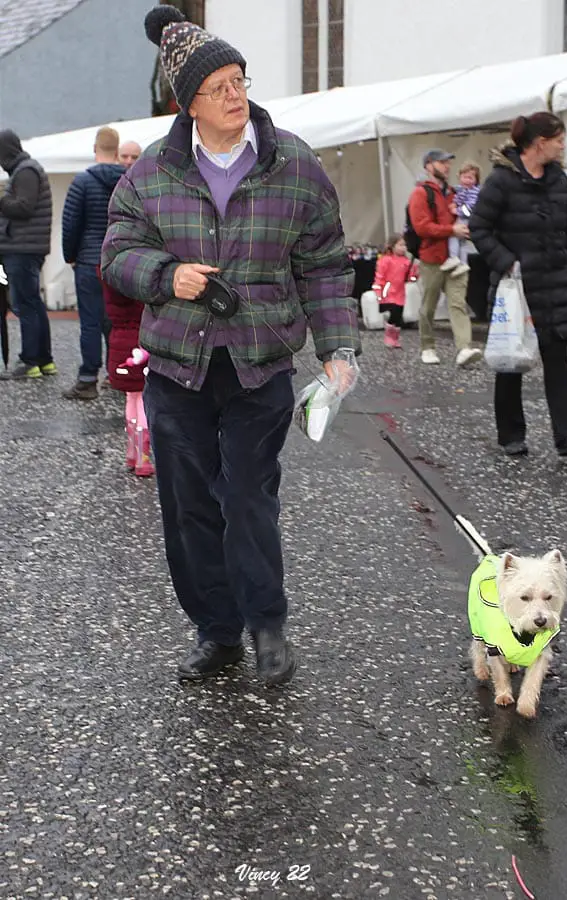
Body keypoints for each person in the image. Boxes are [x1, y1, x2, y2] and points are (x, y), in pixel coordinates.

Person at [101, 5, 361, 686]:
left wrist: (340, 350)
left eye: (240, 80)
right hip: (177, 371)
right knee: (187, 506)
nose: (236, 94)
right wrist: (168, 275)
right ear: (187, 102)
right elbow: (117, 254)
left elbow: (326, 263)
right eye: (218, 86)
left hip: (259, 367)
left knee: (248, 495)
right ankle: (216, 633)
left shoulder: (293, 164)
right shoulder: (150, 172)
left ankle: (267, 624)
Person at [470, 112, 567, 458]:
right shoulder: (501, 181)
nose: (562, 145)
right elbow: (479, 228)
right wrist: (507, 261)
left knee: (558, 356)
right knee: (512, 360)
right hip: (515, 287)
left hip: (555, 282)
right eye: (558, 139)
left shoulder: (558, 180)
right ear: (540, 142)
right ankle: (511, 434)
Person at [62, 126, 125, 400]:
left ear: (94, 149)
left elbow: (70, 223)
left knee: (90, 321)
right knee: (119, 321)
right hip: (120, 261)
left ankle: (88, 379)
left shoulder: (82, 182)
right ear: (118, 149)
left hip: (89, 260)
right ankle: (117, 374)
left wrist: (70, 256)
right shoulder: (130, 180)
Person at [408, 148, 482, 367]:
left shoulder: (454, 193)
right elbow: (422, 227)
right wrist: (452, 230)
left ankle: (464, 348)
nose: (447, 167)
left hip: (456, 258)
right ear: (428, 166)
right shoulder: (421, 194)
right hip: (432, 258)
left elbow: (463, 215)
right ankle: (427, 346)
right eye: (442, 163)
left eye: (448, 163)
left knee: (458, 303)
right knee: (428, 306)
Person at [0, 129, 56, 379]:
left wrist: (1, 197)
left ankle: (30, 361)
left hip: (22, 249)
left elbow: (23, 208)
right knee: (33, 303)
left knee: (25, 304)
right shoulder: (27, 169)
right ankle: (44, 361)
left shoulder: (26, 172)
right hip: (26, 247)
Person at [102, 280, 154, 477]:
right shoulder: (136, 281)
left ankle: (132, 452)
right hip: (141, 342)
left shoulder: (109, 276)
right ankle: (144, 457)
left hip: (118, 340)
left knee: (131, 397)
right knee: (143, 400)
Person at [371, 234, 415, 349]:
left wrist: (414, 272)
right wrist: (378, 290)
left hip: (400, 293)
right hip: (388, 292)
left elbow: (410, 278)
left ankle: (394, 338)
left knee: (398, 317)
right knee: (394, 312)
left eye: (404, 245)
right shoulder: (385, 260)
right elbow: (379, 276)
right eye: (400, 245)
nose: (403, 248)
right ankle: (389, 336)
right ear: (392, 246)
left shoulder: (406, 261)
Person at [442, 161, 481, 276]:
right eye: (464, 177)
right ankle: (463, 262)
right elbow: (457, 192)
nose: (467, 180)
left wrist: (457, 210)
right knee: (462, 242)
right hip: (466, 217)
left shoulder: (474, 191)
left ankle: (453, 257)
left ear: (476, 180)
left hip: (466, 217)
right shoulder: (463, 189)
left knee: (453, 234)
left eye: (470, 178)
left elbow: (469, 208)